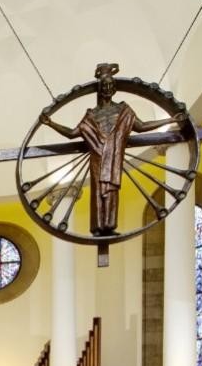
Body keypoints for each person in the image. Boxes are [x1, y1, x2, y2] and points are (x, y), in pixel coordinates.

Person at [39, 63, 184, 236]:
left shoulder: (123, 110)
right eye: (104, 86)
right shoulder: (92, 115)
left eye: (110, 86)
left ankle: (109, 226)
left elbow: (141, 126)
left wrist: (169, 121)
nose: (107, 89)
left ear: (114, 89)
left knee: (111, 192)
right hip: (98, 158)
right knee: (98, 193)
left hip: (114, 157)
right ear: (99, 89)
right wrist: (51, 123)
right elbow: (72, 133)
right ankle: (98, 227)